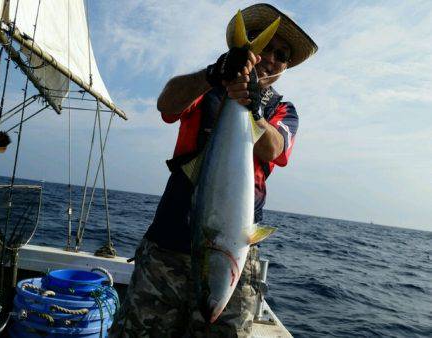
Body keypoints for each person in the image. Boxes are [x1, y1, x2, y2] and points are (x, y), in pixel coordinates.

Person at [109, 3, 317, 338]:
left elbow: (275, 148)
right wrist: (213, 73)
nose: (273, 58)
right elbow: (166, 104)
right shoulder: (207, 87)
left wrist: (252, 107)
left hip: (234, 243)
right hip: (167, 245)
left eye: (283, 55)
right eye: (266, 47)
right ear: (249, 47)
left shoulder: (282, 109)